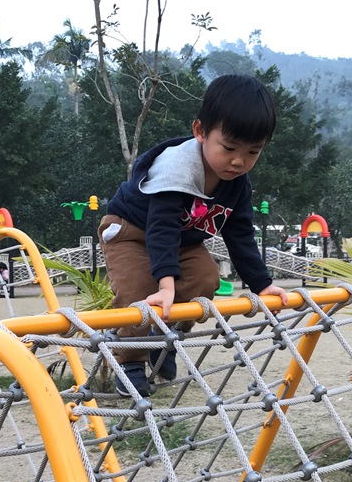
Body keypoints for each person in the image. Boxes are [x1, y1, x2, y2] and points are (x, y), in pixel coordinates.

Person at [99, 74, 289, 397]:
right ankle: (129, 359)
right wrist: (165, 285)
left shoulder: (237, 184)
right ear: (200, 131)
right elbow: (161, 226)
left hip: (181, 241)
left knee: (205, 276)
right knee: (137, 289)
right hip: (131, 231)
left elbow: (240, 234)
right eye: (229, 148)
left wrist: (262, 284)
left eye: (253, 152)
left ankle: (167, 336)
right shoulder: (178, 167)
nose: (239, 161)